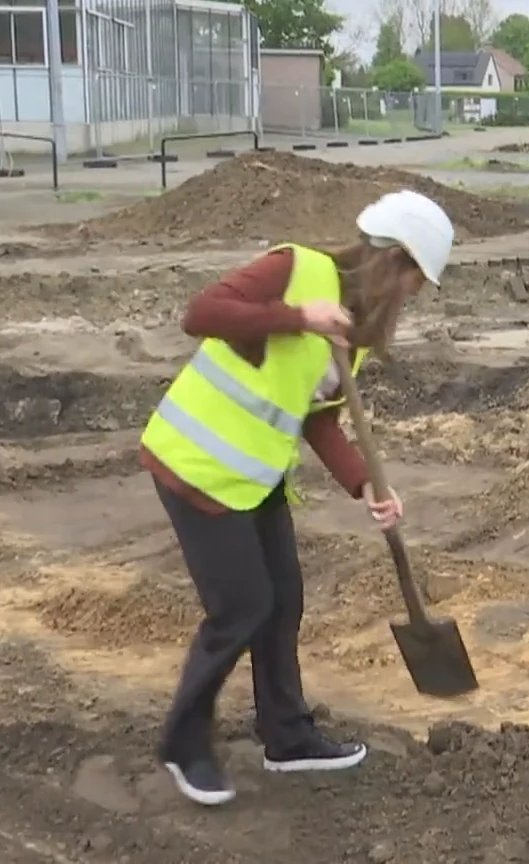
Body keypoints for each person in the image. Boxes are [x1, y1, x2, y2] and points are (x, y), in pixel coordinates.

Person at [138, 189, 456, 806]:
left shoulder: (351, 335)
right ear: (393, 261)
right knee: (242, 607)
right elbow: (201, 312)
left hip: (254, 479)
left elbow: (320, 422)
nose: (413, 297)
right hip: (194, 464)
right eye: (416, 280)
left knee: (283, 600)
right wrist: (296, 317)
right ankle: (184, 744)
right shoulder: (294, 270)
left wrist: (369, 484)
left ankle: (286, 736)